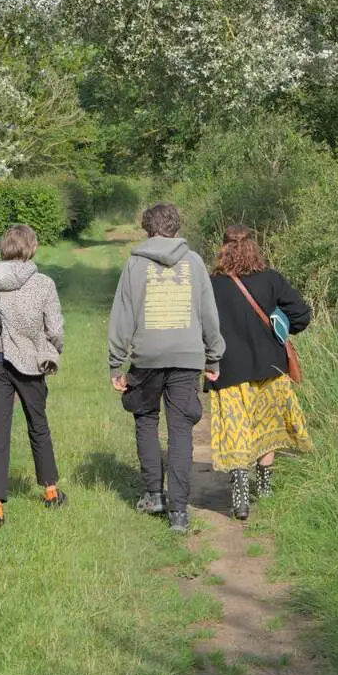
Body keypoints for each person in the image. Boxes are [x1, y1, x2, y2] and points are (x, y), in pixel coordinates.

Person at [107, 203, 225, 535]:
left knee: (145, 418)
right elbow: (208, 315)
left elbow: (122, 317)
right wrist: (213, 358)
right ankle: (179, 513)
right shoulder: (195, 262)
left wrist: (117, 363)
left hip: (147, 356)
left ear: (148, 228)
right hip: (187, 357)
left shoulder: (134, 264)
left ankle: (153, 494)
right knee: (181, 430)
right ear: (176, 227)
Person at [208, 224, 312, 520]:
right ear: (254, 247)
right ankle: (264, 491)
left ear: (224, 249)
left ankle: (240, 497)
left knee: (236, 429)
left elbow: (202, 325)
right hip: (271, 367)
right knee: (266, 430)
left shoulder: (212, 285)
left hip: (228, 370)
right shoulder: (271, 280)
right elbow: (302, 315)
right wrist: (280, 328)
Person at [0, 224, 67, 527]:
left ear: (5, 247)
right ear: (32, 248)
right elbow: (56, 329)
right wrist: (53, 350)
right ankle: (51, 491)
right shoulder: (43, 284)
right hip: (30, 363)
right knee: (38, 426)